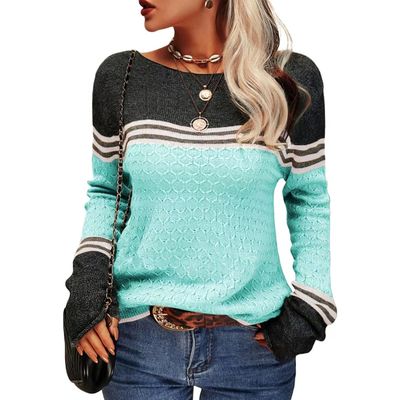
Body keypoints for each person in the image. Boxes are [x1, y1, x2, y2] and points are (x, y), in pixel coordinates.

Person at [63, 0, 338, 398]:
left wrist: (313, 302)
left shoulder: (289, 79)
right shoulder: (121, 77)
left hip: (255, 348)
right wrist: (86, 289)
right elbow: (109, 193)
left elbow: (308, 196)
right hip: (138, 341)